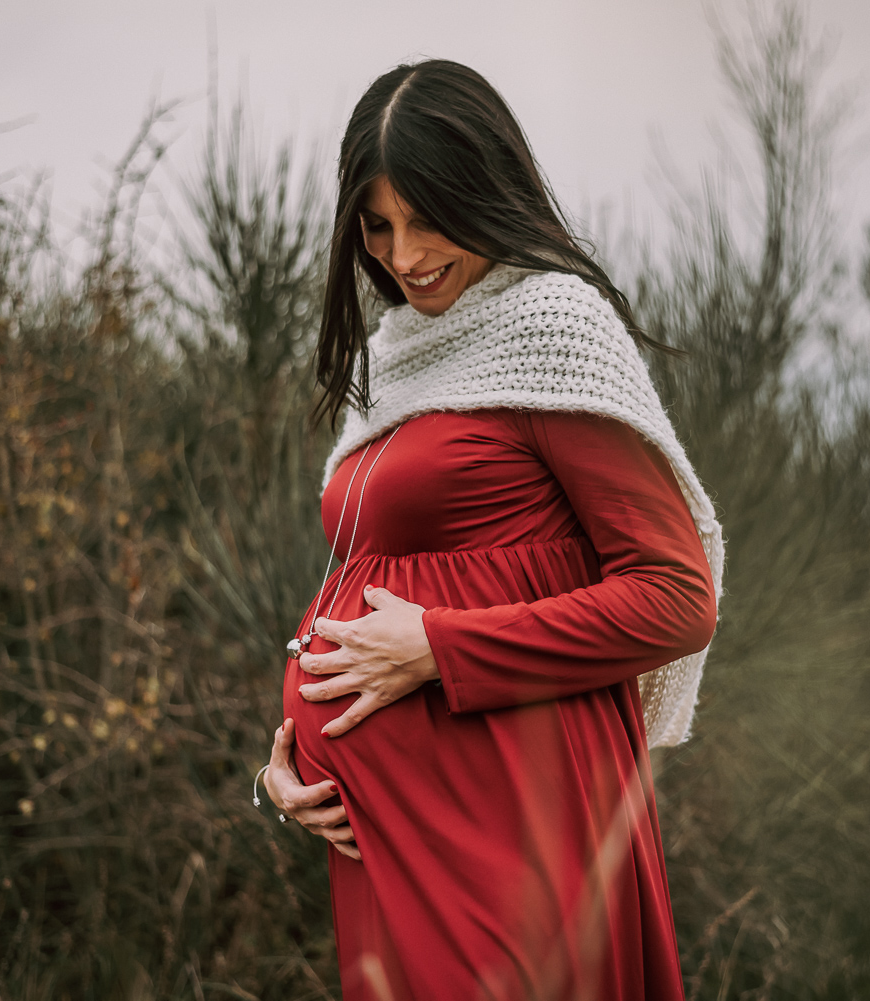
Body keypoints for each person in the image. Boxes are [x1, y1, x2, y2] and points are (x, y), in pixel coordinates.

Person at [259, 59, 724, 1001]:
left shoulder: (550, 328)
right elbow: (375, 570)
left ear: (488, 192)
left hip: (512, 829)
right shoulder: (397, 357)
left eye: (430, 218)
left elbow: (678, 600)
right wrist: (289, 761)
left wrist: (440, 647)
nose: (405, 253)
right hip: (390, 837)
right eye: (378, 225)